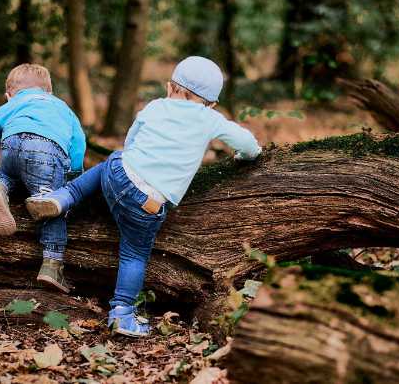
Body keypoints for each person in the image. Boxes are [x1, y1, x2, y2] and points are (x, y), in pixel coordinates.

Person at [25, 56, 261, 336]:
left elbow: (131, 140)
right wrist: (248, 155)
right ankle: (122, 313)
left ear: (170, 86)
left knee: (106, 166)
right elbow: (247, 144)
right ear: (212, 103)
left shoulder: (155, 106)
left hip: (119, 171)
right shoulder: (210, 118)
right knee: (134, 255)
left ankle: (61, 198)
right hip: (146, 202)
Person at [0, 63, 86, 294]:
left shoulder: (12, 105)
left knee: (8, 173)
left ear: (8, 95)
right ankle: (52, 266)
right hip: (46, 153)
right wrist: (73, 175)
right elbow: (78, 144)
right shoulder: (62, 107)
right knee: (51, 205)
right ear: (49, 92)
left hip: (11, 148)